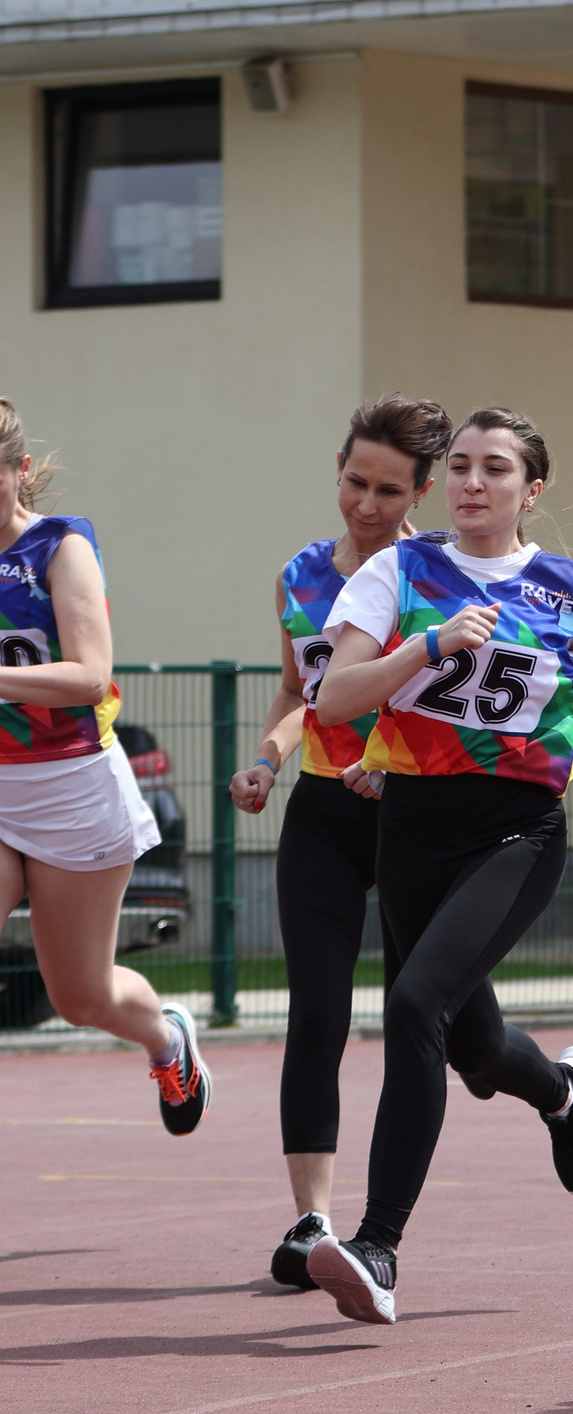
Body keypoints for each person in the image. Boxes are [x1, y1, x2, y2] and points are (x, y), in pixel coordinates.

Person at [302, 408, 573, 1325]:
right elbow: (332, 694)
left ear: (531, 490)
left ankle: (377, 1246)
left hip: (517, 831)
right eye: (458, 466)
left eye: (495, 469)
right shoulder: (400, 571)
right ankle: (565, 1093)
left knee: (413, 1005)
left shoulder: (571, 587)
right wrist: (433, 643)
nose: (471, 483)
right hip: (412, 827)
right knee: (472, 1048)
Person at [227, 393, 451, 1291]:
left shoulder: (439, 576)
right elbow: (300, 691)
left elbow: (449, 704)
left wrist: (390, 763)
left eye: (389, 490)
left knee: (433, 1029)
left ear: (422, 492)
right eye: (354, 482)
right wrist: (266, 759)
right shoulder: (299, 574)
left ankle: (557, 1092)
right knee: (317, 1011)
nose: (366, 503)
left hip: (415, 814)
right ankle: (311, 1220)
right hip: (323, 809)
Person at [0, 399, 205, 1132]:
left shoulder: (59, 548)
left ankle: (166, 1038)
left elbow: (89, 676)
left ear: (20, 473)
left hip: (71, 788)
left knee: (80, 998)